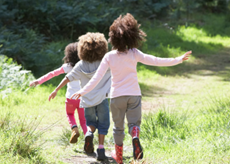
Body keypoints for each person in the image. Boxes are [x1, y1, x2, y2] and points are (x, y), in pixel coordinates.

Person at [70, 13, 192, 164]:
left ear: (113, 37)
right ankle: (135, 135)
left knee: (118, 128)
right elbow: (155, 60)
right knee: (134, 123)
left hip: (116, 97)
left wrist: (83, 91)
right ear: (132, 36)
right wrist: (178, 59)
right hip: (134, 95)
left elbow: (96, 78)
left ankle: (119, 157)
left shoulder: (109, 56)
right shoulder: (134, 53)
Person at [48, 32, 111, 161]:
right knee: (103, 125)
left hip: (87, 101)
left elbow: (67, 78)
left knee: (91, 123)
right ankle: (100, 149)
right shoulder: (104, 63)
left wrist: (56, 90)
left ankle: (88, 134)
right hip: (102, 99)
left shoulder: (81, 64)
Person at [29, 42, 87, 144]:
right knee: (83, 120)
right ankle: (88, 139)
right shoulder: (85, 66)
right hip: (82, 98)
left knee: (69, 114)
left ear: (69, 55)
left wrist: (38, 81)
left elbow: (52, 74)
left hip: (70, 98)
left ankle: (74, 128)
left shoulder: (68, 66)